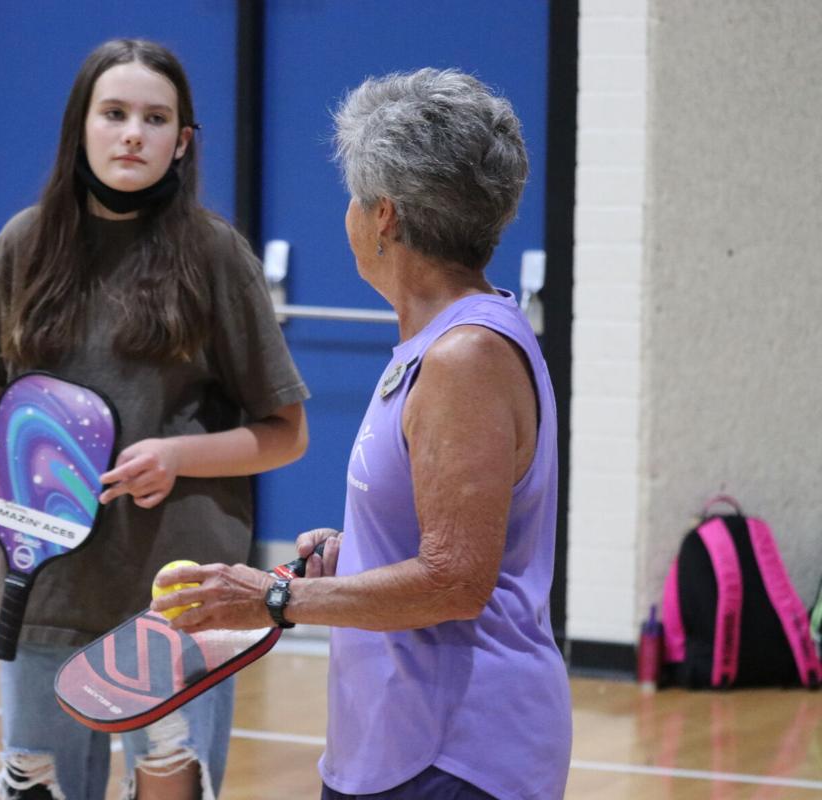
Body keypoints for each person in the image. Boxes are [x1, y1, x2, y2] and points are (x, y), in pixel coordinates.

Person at [151, 68, 572, 799]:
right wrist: (357, 556)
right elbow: (455, 543)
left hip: (456, 753)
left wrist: (274, 600)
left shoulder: (465, 356)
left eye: (353, 198)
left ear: (384, 216)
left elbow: (456, 581)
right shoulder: (436, 345)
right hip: (395, 740)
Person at [0, 39, 310, 800]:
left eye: (155, 117)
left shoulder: (214, 256)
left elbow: (286, 432)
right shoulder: (22, 246)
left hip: (174, 593)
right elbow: (11, 390)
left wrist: (177, 456)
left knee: (167, 785)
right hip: (45, 584)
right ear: (82, 128)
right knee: (35, 786)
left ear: (183, 142)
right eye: (114, 114)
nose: (133, 133)